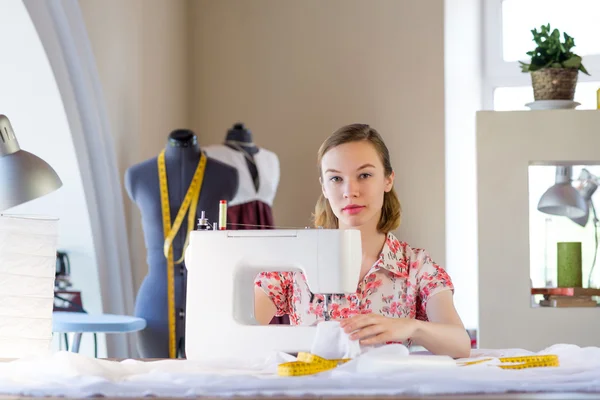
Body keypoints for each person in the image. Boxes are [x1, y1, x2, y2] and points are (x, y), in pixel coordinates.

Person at [253, 123, 471, 359]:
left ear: (388, 180)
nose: (350, 191)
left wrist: (412, 327)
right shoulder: (293, 263)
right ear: (324, 188)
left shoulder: (416, 267)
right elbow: (235, 335)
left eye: (364, 175)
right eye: (336, 178)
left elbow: (460, 344)